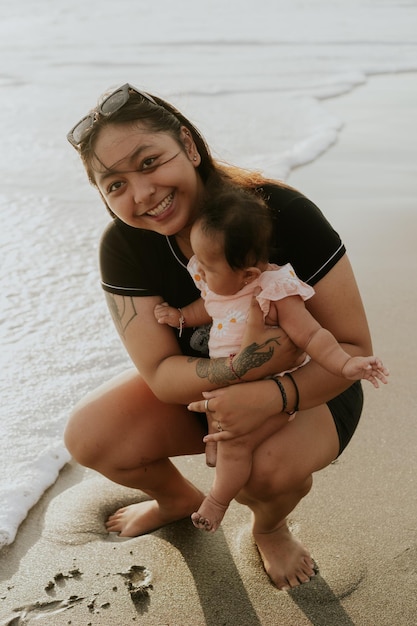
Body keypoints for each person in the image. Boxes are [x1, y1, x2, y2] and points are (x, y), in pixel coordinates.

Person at [64, 82, 381, 591]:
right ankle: (176, 499)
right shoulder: (123, 247)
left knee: (267, 471)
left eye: (148, 163)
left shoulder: (281, 213)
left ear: (189, 146)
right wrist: (253, 368)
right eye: (115, 185)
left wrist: (272, 393)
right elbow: (164, 378)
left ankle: (270, 528)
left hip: (316, 386)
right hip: (203, 395)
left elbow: (352, 348)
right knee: (90, 436)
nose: (141, 194)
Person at [154, 181, 389, 532]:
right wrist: (183, 317)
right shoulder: (218, 282)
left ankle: (217, 503)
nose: (198, 271)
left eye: (206, 265)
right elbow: (209, 306)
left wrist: (345, 363)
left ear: (248, 273)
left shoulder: (274, 291)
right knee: (217, 415)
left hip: (267, 393)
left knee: (236, 445)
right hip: (226, 381)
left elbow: (311, 334)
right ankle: (215, 445)